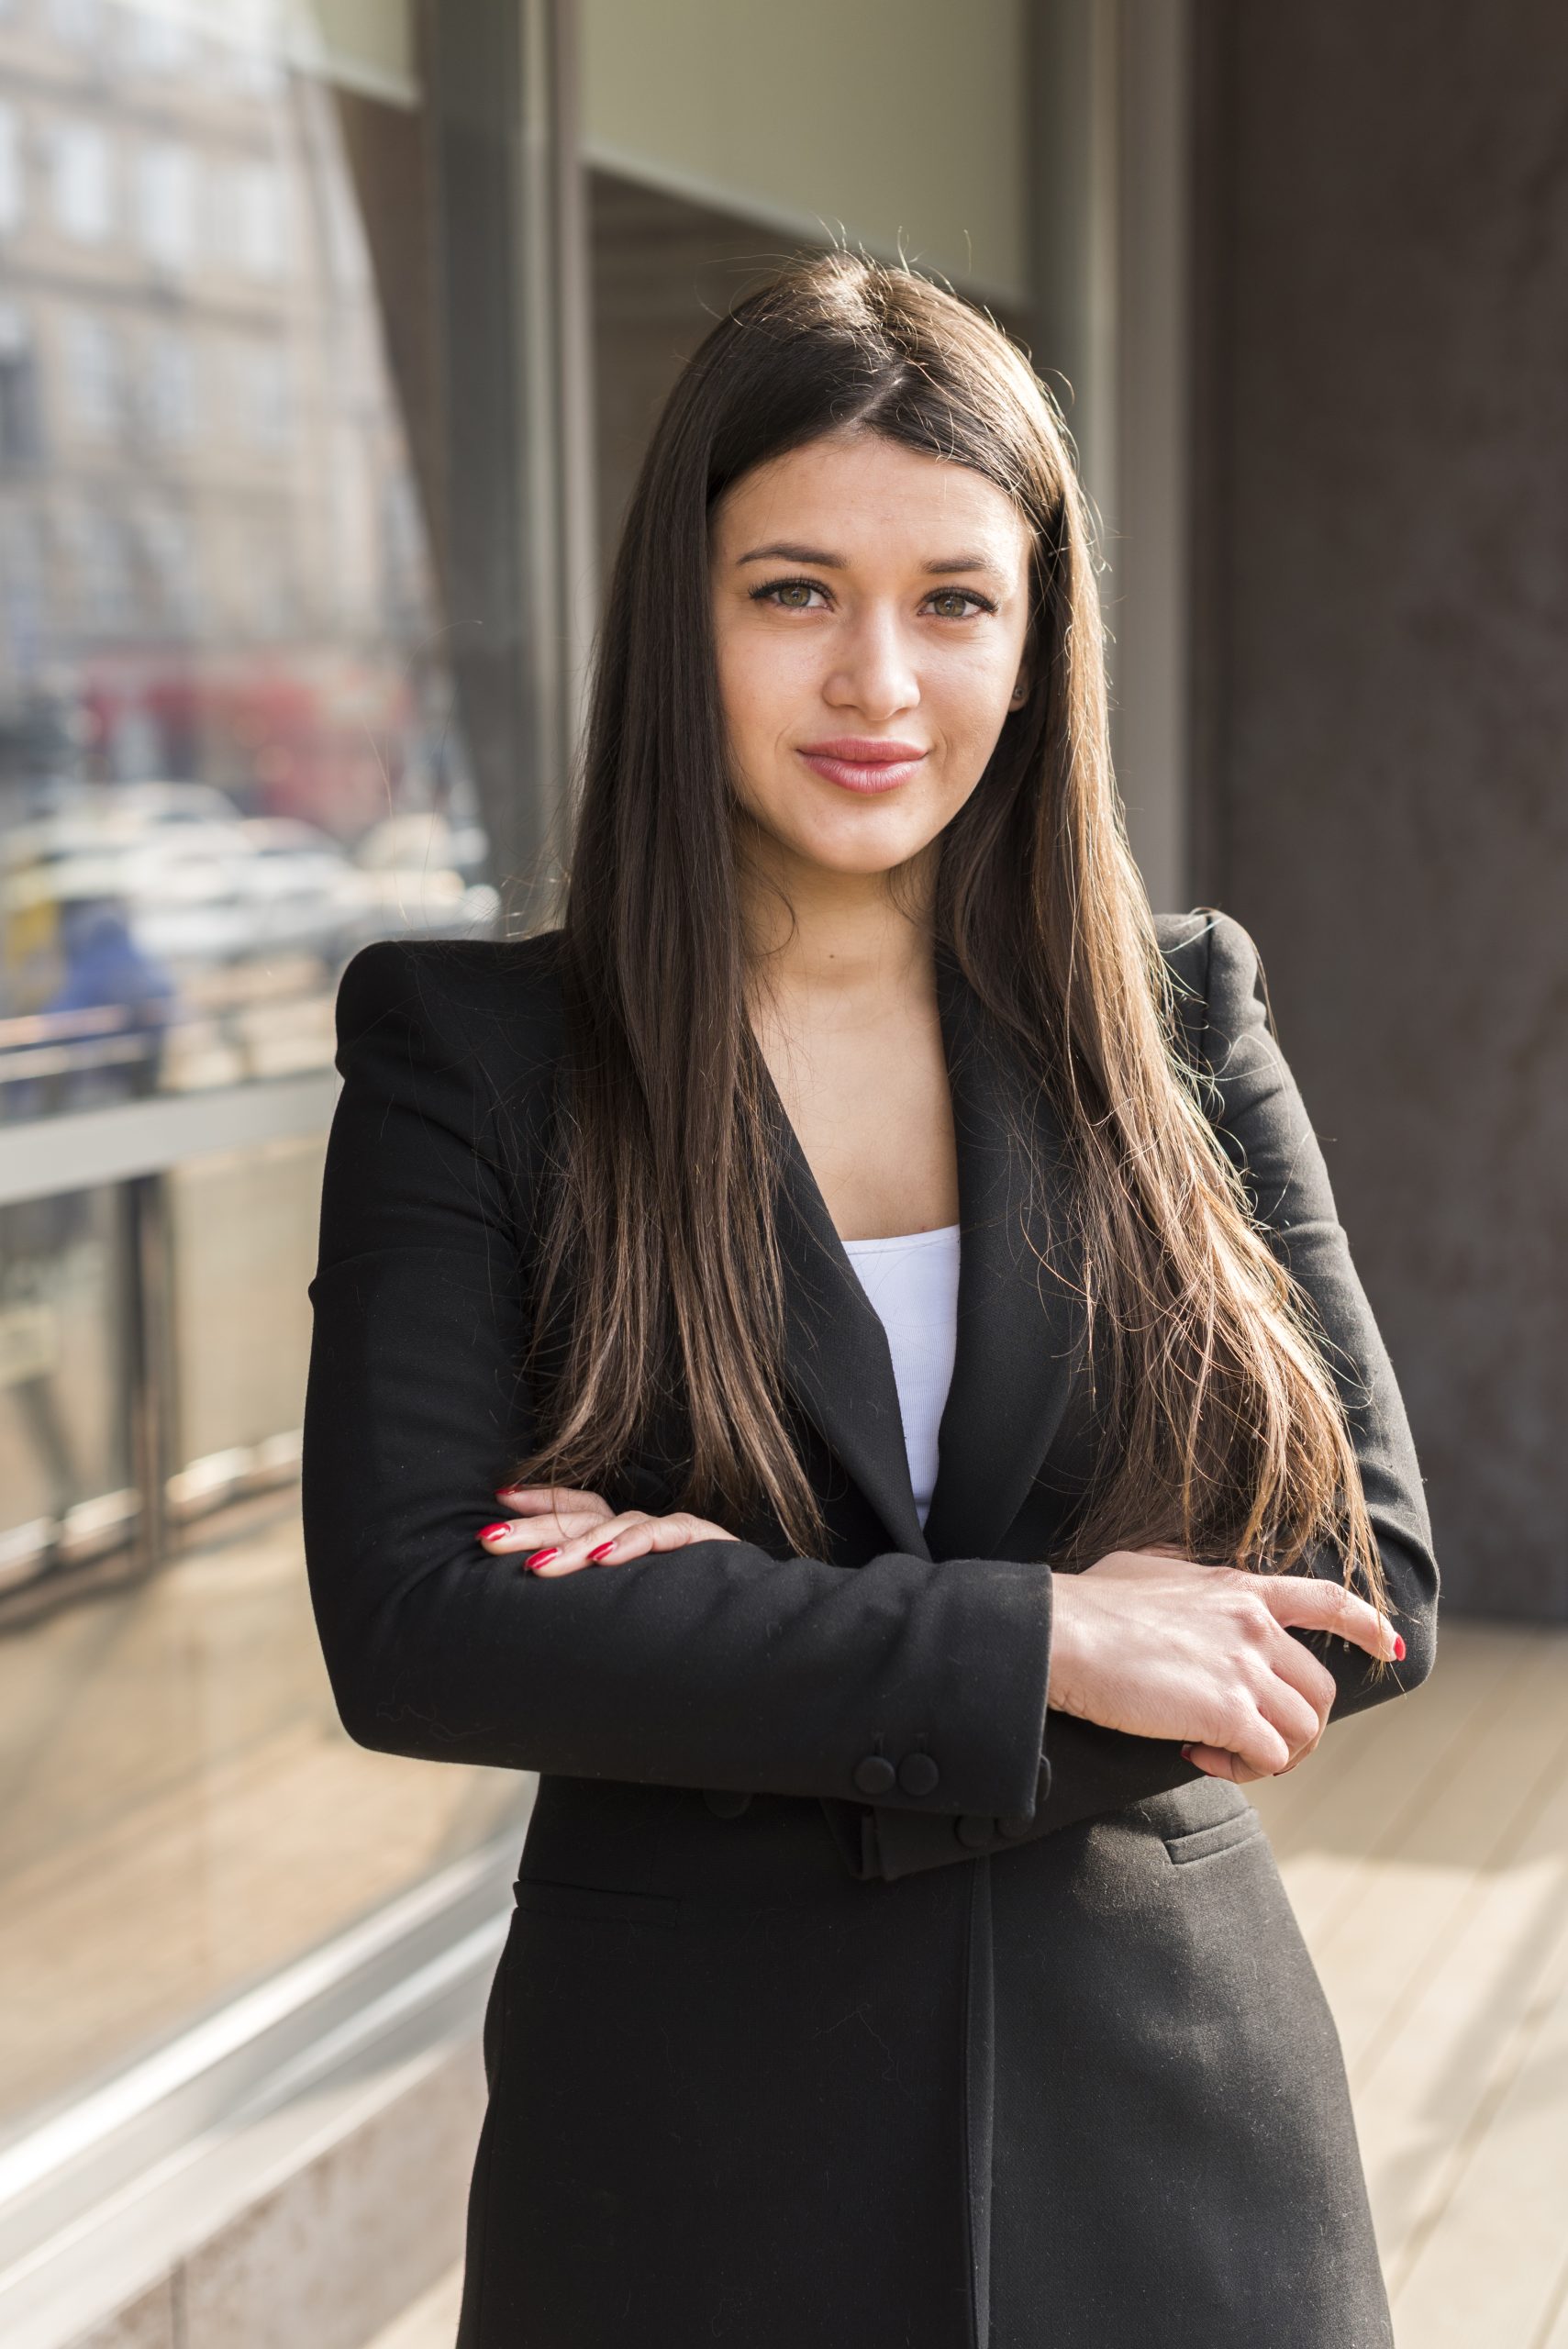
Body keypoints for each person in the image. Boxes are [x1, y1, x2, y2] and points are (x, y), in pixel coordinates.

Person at [302, 253, 1437, 2349]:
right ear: (686, 615)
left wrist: (732, 1626)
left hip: (1170, 2138)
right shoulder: (477, 1056)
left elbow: (1359, 1576)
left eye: (955, 601)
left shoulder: (1176, 1014)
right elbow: (418, 1625)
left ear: (1038, 635)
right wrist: (1057, 1635)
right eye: (796, 590)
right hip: (689, 2160)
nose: (880, 685)